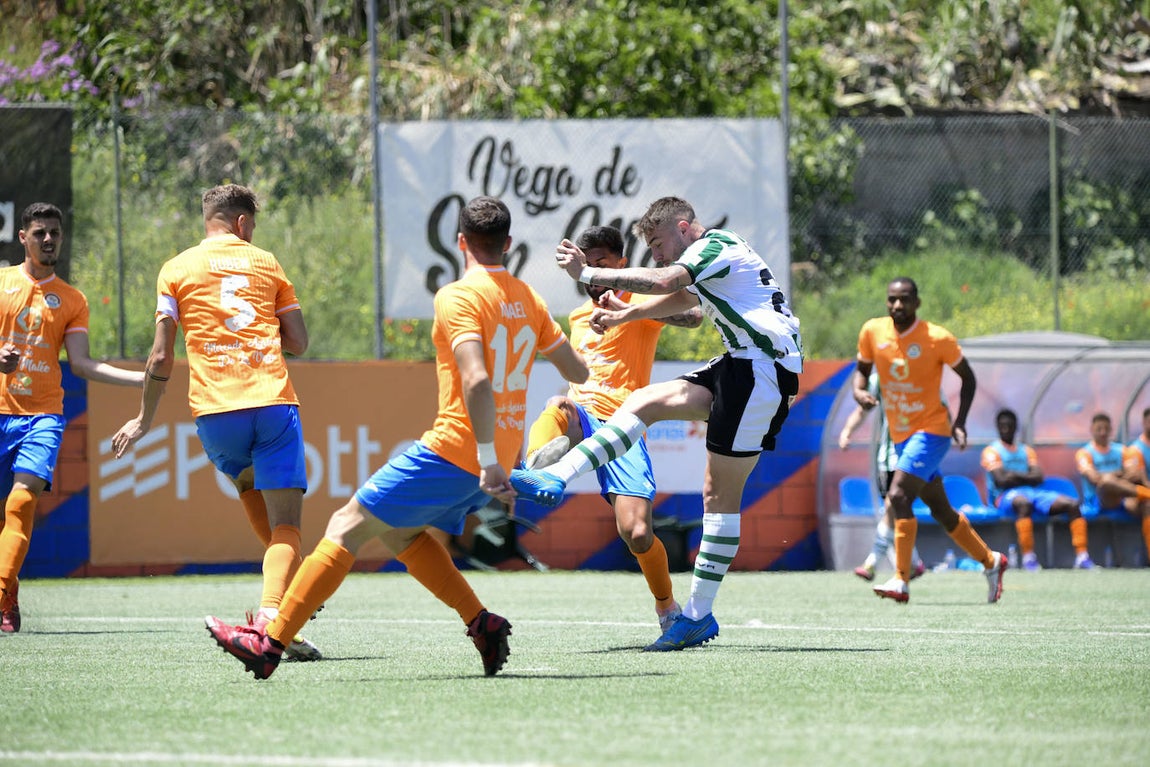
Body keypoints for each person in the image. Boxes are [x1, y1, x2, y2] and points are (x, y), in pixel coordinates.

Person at [204, 195, 588, 679]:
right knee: (401, 534)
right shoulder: (530, 299)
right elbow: (577, 368)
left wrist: (489, 458)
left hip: (458, 450)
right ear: (508, 244)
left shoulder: (458, 297)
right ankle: (482, 623)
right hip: (491, 455)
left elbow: (475, 380)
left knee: (345, 527)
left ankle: (270, 643)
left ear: (461, 243)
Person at [510, 196, 803, 651]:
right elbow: (684, 296)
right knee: (643, 401)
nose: (658, 254)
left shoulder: (714, 246)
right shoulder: (710, 261)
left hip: (764, 370)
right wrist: (628, 313)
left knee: (720, 496)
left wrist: (588, 273)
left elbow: (669, 281)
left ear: (685, 227)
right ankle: (553, 475)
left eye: (659, 242)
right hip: (740, 363)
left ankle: (697, 615)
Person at [110, 184, 320, 660]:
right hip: (270, 401)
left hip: (215, 411)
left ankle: (290, 595)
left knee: (249, 487)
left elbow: (161, 355)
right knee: (287, 526)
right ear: (243, 223)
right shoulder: (265, 261)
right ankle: (273, 614)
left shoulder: (176, 268)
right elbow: (300, 342)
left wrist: (144, 419)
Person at [523, 224, 702, 635]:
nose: (594, 275)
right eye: (588, 267)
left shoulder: (640, 299)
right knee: (559, 404)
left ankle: (667, 607)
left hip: (624, 423)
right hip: (582, 414)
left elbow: (692, 316)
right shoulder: (578, 316)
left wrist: (627, 311)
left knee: (637, 533)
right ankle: (537, 465)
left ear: (621, 265)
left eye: (602, 266)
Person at [0, 202, 145, 633]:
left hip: (43, 415)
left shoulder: (73, 299)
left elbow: (81, 363)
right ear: (23, 237)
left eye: (55, 234)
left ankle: (4, 595)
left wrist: (140, 381)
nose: (48, 240)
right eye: (40, 233)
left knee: (22, 502)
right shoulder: (2, 283)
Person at [855, 277, 1007, 604]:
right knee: (941, 510)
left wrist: (962, 422)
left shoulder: (937, 338)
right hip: (901, 436)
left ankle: (901, 578)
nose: (898, 305)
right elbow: (862, 370)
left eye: (905, 299)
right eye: (892, 299)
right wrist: (858, 391)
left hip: (933, 431)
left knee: (897, 496)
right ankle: (991, 561)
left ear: (917, 303)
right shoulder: (872, 331)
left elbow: (968, 379)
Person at [837, 372, 926, 581]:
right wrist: (847, 431)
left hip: (913, 456)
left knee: (892, 505)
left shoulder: (923, 374)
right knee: (896, 509)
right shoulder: (881, 379)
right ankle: (914, 562)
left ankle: (873, 562)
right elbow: (863, 409)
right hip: (887, 459)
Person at [981, 408, 1093, 570]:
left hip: (1032, 492)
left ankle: (1082, 556)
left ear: (1015, 427)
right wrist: (1025, 476)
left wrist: (1012, 474)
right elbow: (1001, 480)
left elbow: (1038, 477)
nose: (1006, 429)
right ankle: (1028, 558)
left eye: (1009, 425)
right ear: (997, 427)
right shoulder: (991, 451)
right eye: (1002, 426)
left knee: (1073, 504)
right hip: (1004, 497)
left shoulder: (1026, 451)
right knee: (1023, 503)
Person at [1076, 412, 1150, 562]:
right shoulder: (1084, 453)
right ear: (1092, 430)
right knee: (1106, 483)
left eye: (1106, 429)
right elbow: (1095, 479)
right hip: (1099, 500)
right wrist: (1118, 474)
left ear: (1111, 430)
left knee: (1148, 505)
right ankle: (1147, 493)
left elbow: (1134, 473)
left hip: (1124, 498)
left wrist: (1110, 476)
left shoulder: (1122, 450)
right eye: (1099, 429)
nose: (1103, 433)